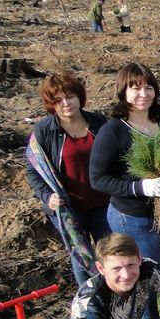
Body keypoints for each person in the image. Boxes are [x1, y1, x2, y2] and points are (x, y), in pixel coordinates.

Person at [90, 63, 160, 290]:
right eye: (135, 88)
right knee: (144, 277)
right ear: (123, 91)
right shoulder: (114, 130)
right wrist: (141, 188)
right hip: (134, 218)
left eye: (148, 87)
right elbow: (98, 178)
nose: (143, 94)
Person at [25, 71, 110, 286]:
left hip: (104, 205)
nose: (66, 103)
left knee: (111, 255)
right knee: (81, 259)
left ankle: (117, 302)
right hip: (69, 210)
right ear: (50, 104)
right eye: (58, 100)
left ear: (79, 96)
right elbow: (33, 170)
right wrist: (47, 196)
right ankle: (90, 306)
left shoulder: (99, 123)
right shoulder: (44, 131)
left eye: (70, 96)